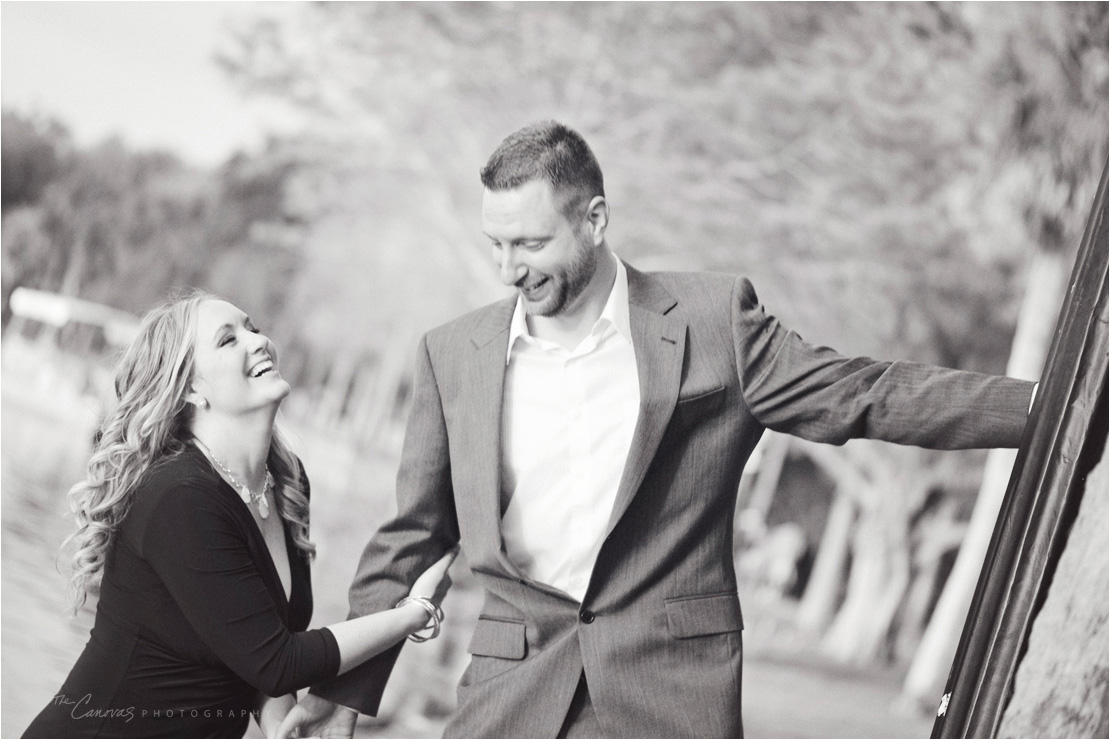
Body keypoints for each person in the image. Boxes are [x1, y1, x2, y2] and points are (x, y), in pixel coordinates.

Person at [281, 121, 1037, 739]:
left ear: (595, 219)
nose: (509, 268)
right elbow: (409, 536)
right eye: (497, 245)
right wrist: (341, 692)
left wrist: (1047, 409)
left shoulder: (712, 324)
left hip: (670, 695)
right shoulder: (453, 355)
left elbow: (865, 394)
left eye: (532, 244)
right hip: (509, 693)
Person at [21, 291, 455, 739]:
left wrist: (282, 724)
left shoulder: (285, 482)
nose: (258, 341)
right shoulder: (179, 498)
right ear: (192, 389)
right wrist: (413, 613)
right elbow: (278, 661)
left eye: (252, 327)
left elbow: (248, 644)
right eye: (228, 341)